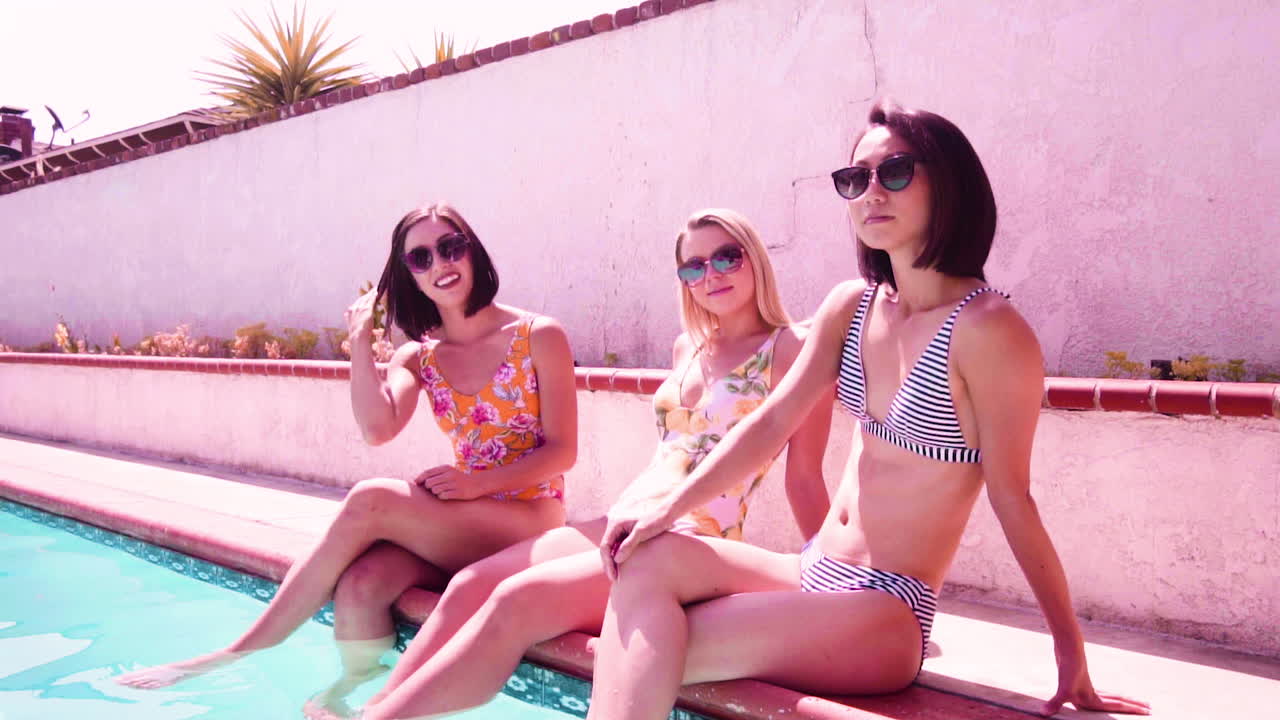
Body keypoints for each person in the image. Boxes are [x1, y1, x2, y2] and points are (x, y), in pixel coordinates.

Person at [585, 102, 1152, 719]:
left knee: (647, 645)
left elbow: (1013, 498)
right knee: (645, 560)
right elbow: (770, 422)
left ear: (949, 183)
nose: (872, 192)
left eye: (896, 172)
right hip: (813, 571)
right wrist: (667, 509)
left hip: (887, 610)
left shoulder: (989, 330)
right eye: (856, 179)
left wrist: (1070, 654)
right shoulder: (852, 305)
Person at [339, 208, 834, 720]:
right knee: (470, 584)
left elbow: (803, 478)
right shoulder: (688, 346)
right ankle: (378, 703)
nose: (712, 275)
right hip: (626, 515)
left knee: (515, 600)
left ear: (755, 257)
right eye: (694, 266)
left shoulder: (794, 349)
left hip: (691, 533)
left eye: (727, 257)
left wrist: (831, 576)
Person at [117, 203, 578, 718]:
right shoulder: (419, 357)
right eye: (421, 257)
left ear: (472, 251)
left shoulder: (537, 335)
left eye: (451, 247)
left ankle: (237, 652)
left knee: (371, 499)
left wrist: (475, 484)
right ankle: (349, 693)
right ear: (409, 274)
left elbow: (564, 451)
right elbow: (377, 429)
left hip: (531, 518)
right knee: (362, 583)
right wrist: (360, 341)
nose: (441, 264)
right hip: (465, 523)